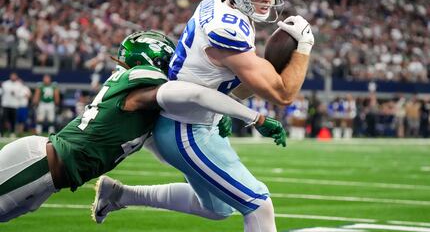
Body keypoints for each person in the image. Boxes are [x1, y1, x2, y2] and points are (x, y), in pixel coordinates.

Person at [92, 0, 314, 232]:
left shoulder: (219, 2)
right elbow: (284, 95)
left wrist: (249, 87)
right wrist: (304, 47)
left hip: (190, 120)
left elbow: (237, 85)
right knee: (258, 205)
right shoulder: (227, 29)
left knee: (218, 208)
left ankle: (119, 195)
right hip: (184, 129)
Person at [0, 30, 285, 222]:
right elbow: (195, 93)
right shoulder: (143, 84)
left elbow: (174, 157)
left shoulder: (142, 108)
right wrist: (255, 117)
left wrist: (212, 120)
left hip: (52, 176)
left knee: (218, 208)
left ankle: (120, 196)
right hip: (37, 163)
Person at [1, 72, 22, 137]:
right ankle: (2, 133)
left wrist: (15, 93)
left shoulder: (19, 85)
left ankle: (12, 132)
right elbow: (1, 92)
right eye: (12, 76)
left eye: (14, 76)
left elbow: (21, 95)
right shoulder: (5, 84)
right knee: (3, 119)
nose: (13, 77)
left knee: (13, 120)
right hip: (6, 104)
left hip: (14, 105)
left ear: (16, 77)